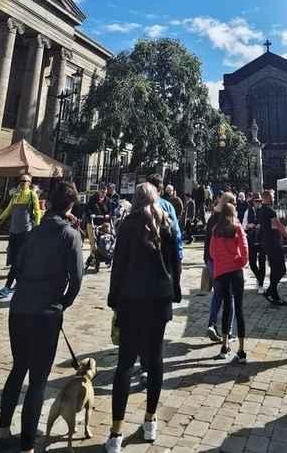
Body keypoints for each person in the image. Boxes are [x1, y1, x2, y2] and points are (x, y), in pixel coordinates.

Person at [0, 182, 83, 453]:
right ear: (70, 206)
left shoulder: (32, 232)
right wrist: (62, 303)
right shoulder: (70, 234)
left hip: (19, 308)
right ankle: (28, 446)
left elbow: (17, 269)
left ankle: (3, 431)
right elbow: (77, 279)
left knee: (18, 368)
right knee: (38, 381)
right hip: (46, 313)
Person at [105, 182, 181, 452]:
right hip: (159, 300)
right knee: (156, 358)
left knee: (125, 363)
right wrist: (176, 291)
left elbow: (119, 268)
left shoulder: (127, 226)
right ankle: (150, 422)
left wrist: (114, 299)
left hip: (131, 300)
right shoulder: (167, 224)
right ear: (156, 198)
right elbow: (176, 264)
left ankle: (115, 434)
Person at [209, 197, 248, 362]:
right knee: (239, 309)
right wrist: (240, 262)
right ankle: (241, 350)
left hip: (222, 272)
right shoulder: (237, 227)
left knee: (226, 308)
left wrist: (222, 262)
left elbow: (212, 252)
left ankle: (224, 346)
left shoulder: (216, 230)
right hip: (236, 271)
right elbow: (245, 249)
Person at [0, 174, 42, 298]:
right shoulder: (16, 196)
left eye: (25, 181)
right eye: (21, 181)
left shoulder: (32, 195)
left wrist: (38, 228)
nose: (23, 183)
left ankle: (7, 286)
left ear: (29, 183)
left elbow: (37, 212)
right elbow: (7, 211)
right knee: (14, 259)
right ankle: (22, 284)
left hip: (25, 232)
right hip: (14, 232)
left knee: (17, 261)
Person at [204, 192, 234, 341]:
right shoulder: (228, 220)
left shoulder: (212, 219)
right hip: (224, 262)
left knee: (218, 293)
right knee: (229, 296)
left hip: (211, 260)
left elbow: (207, 241)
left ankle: (212, 324)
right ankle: (228, 332)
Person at [257, 189, 287, 306]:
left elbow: (272, 226)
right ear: (265, 197)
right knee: (281, 270)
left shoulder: (261, 210)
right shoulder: (270, 211)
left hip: (267, 243)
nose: (273, 198)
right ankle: (270, 291)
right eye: (271, 196)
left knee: (275, 270)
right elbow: (278, 225)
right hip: (273, 244)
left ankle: (274, 295)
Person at [146, 175, 183, 265]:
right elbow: (175, 232)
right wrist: (179, 254)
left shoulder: (137, 205)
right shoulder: (167, 206)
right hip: (163, 253)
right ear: (161, 188)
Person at [242, 193, 265, 293]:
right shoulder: (248, 211)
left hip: (262, 240)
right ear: (252, 202)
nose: (258, 203)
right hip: (251, 240)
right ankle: (259, 277)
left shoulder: (264, 211)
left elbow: (268, 224)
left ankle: (260, 284)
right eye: (256, 201)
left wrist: (262, 226)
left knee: (262, 262)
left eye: (260, 201)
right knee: (252, 263)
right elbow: (243, 225)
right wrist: (249, 225)